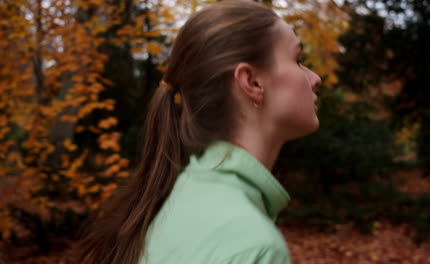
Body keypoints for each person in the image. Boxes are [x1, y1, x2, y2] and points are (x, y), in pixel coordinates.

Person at [76, 0, 321, 263]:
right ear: (252, 82)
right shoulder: (255, 246)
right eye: (298, 59)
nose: (315, 78)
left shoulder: (178, 199)